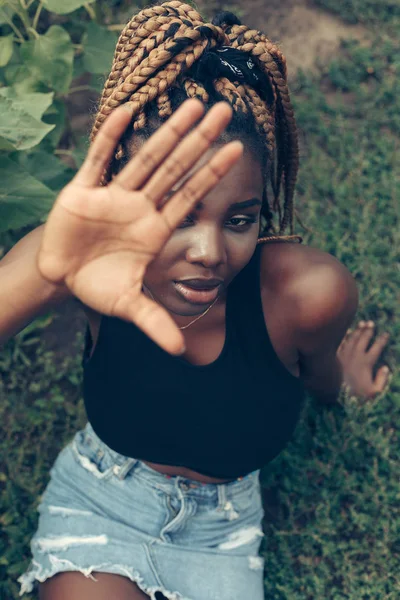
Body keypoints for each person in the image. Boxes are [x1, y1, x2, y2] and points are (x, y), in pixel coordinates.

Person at [0, 2, 388, 599]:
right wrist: (50, 269)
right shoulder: (84, 263)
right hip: (105, 497)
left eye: (240, 218)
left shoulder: (306, 295)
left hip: (224, 531)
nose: (208, 251)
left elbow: (318, 373)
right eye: (176, 216)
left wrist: (347, 388)